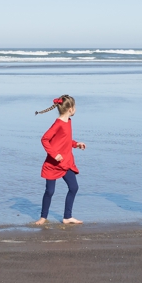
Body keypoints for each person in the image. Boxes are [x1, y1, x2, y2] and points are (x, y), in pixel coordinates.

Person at [34, 95, 85, 225]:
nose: (76, 109)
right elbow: (44, 139)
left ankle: (67, 217)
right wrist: (54, 154)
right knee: (50, 191)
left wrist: (75, 144)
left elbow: (65, 140)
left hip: (66, 162)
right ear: (70, 109)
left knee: (74, 187)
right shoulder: (58, 124)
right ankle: (43, 217)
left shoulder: (68, 122)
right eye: (75, 106)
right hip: (53, 164)